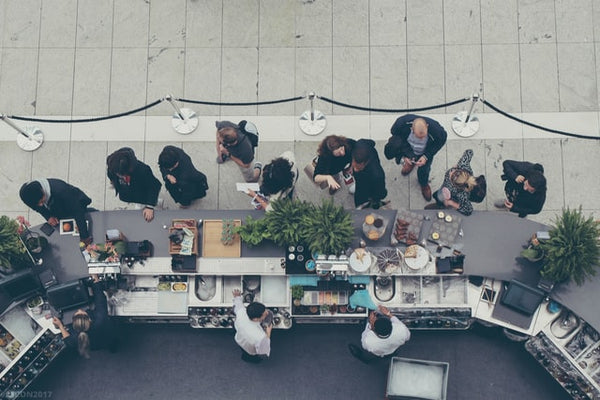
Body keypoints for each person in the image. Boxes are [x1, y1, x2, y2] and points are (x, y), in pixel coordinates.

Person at [384, 114, 447, 201]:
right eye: (418, 137)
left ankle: (423, 183)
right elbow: (396, 139)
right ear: (412, 129)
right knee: (408, 161)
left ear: (427, 127)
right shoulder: (401, 123)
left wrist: (426, 156)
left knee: (424, 170)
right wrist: (404, 156)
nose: (421, 140)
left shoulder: (437, 131)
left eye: (423, 137)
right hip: (408, 149)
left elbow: (440, 141)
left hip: (425, 152)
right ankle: (410, 165)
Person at [52, 275, 118, 359]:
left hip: (93, 346)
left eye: (77, 313)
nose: (79, 310)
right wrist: (96, 280)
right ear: (89, 320)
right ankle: (113, 349)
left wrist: (60, 326)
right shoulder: (100, 317)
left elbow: (67, 340)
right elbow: (100, 299)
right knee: (111, 342)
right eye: (82, 313)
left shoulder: (76, 338)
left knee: (105, 344)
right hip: (107, 337)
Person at [19, 178, 93, 244]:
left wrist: (84, 236)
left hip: (75, 203)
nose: (41, 205)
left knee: (87, 215)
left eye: (42, 201)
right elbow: (37, 207)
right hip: (58, 210)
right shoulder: (25, 194)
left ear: (42, 190)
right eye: (38, 203)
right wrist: (48, 216)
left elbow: (77, 210)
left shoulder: (61, 190)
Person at [107, 147, 162, 222]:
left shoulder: (143, 170)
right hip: (128, 192)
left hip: (141, 192)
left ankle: (156, 202)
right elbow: (110, 174)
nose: (120, 176)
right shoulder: (113, 165)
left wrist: (149, 206)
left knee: (145, 202)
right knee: (136, 201)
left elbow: (154, 186)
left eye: (121, 174)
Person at [425, 149, 482, 216]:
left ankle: (440, 205)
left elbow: (468, 210)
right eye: (456, 172)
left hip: (448, 197)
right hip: (443, 189)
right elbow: (469, 152)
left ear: (458, 186)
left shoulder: (462, 194)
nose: (451, 172)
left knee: (441, 201)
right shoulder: (463, 165)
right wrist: (457, 165)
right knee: (437, 195)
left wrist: (451, 203)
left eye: (453, 178)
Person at [232, 289, 272, 363]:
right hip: (250, 347)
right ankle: (250, 359)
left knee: (243, 349)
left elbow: (238, 305)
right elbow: (263, 350)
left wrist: (237, 297)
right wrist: (268, 332)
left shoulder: (242, 313)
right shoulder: (260, 336)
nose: (267, 312)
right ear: (256, 319)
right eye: (264, 314)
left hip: (240, 339)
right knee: (249, 355)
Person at [352, 139, 388, 209]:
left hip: (368, 188)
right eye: (354, 164)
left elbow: (380, 192)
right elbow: (372, 142)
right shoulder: (360, 144)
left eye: (358, 167)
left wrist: (374, 199)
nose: (355, 169)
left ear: (365, 163)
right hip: (361, 180)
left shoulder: (377, 175)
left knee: (361, 202)